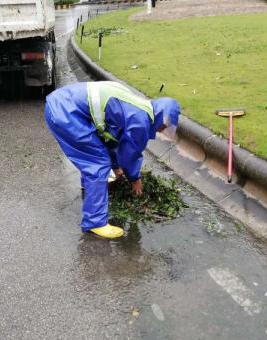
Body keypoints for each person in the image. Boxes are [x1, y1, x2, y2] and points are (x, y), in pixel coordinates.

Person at [44, 81, 180, 239]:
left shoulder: (138, 107)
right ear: (162, 120)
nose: (161, 131)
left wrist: (116, 167)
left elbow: (111, 140)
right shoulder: (140, 122)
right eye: (163, 127)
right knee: (97, 164)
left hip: (62, 103)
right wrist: (135, 179)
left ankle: (90, 188)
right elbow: (130, 155)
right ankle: (95, 223)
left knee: (94, 151)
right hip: (65, 113)